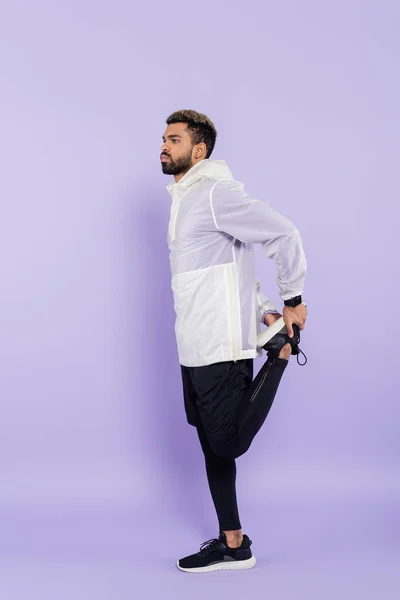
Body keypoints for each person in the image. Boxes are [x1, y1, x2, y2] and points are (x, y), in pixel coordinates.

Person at [161, 109, 308, 573]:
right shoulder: (184, 197)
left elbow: (283, 232)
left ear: (198, 149)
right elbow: (228, 264)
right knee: (209, 445)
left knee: (226, 445)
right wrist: (264, 304)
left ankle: (280, 354)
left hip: (220, 344)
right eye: (163, 139)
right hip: (192, 342)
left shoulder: (214, 192)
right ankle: (233, 542)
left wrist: (292, 297)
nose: (164, 146)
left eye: (174, 139)